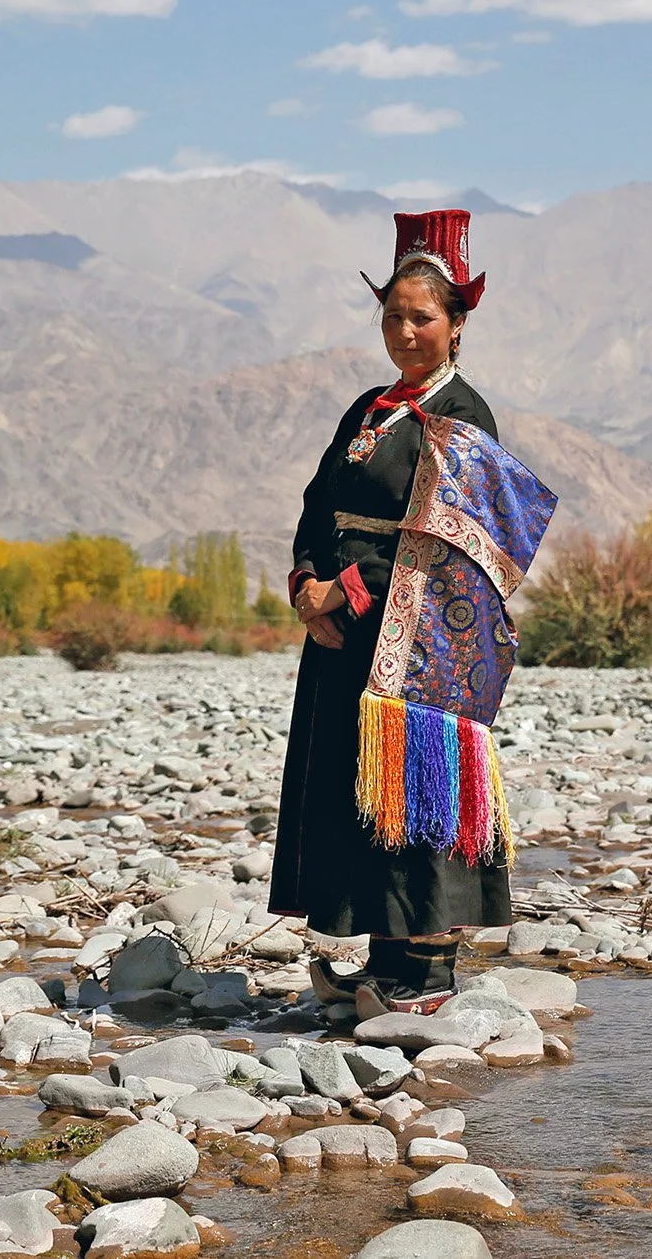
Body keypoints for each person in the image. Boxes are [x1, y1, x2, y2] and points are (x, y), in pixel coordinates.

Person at [269, 209, 540, 1016]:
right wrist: (307, 587)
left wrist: (345, 593)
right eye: (392, 315)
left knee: (415, 789)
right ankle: (381, 956)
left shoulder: (466, 419)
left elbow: (451, 549)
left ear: (458, 324)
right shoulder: (368, 410)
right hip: (345, 637)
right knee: (361, 788)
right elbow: (319, 506)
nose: (405, 330)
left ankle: (426, 973)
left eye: (422, 316)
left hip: (421, 643)